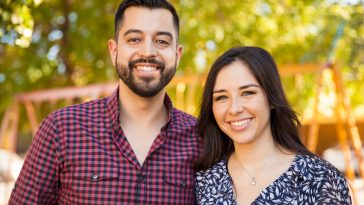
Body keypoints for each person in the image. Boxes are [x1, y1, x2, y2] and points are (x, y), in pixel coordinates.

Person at [9, 0, 202, 204]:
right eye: (134, 39)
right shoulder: (61, 129)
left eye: (162, 41)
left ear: (177, 55)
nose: (148, 52)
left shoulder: (203, 140)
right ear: (114, 50)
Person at [195, 46, 352, 204]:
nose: (234, 109)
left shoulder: (319, 178)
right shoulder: (203, 180)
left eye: (247, 93)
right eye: (221, 97)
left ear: (271, 98)